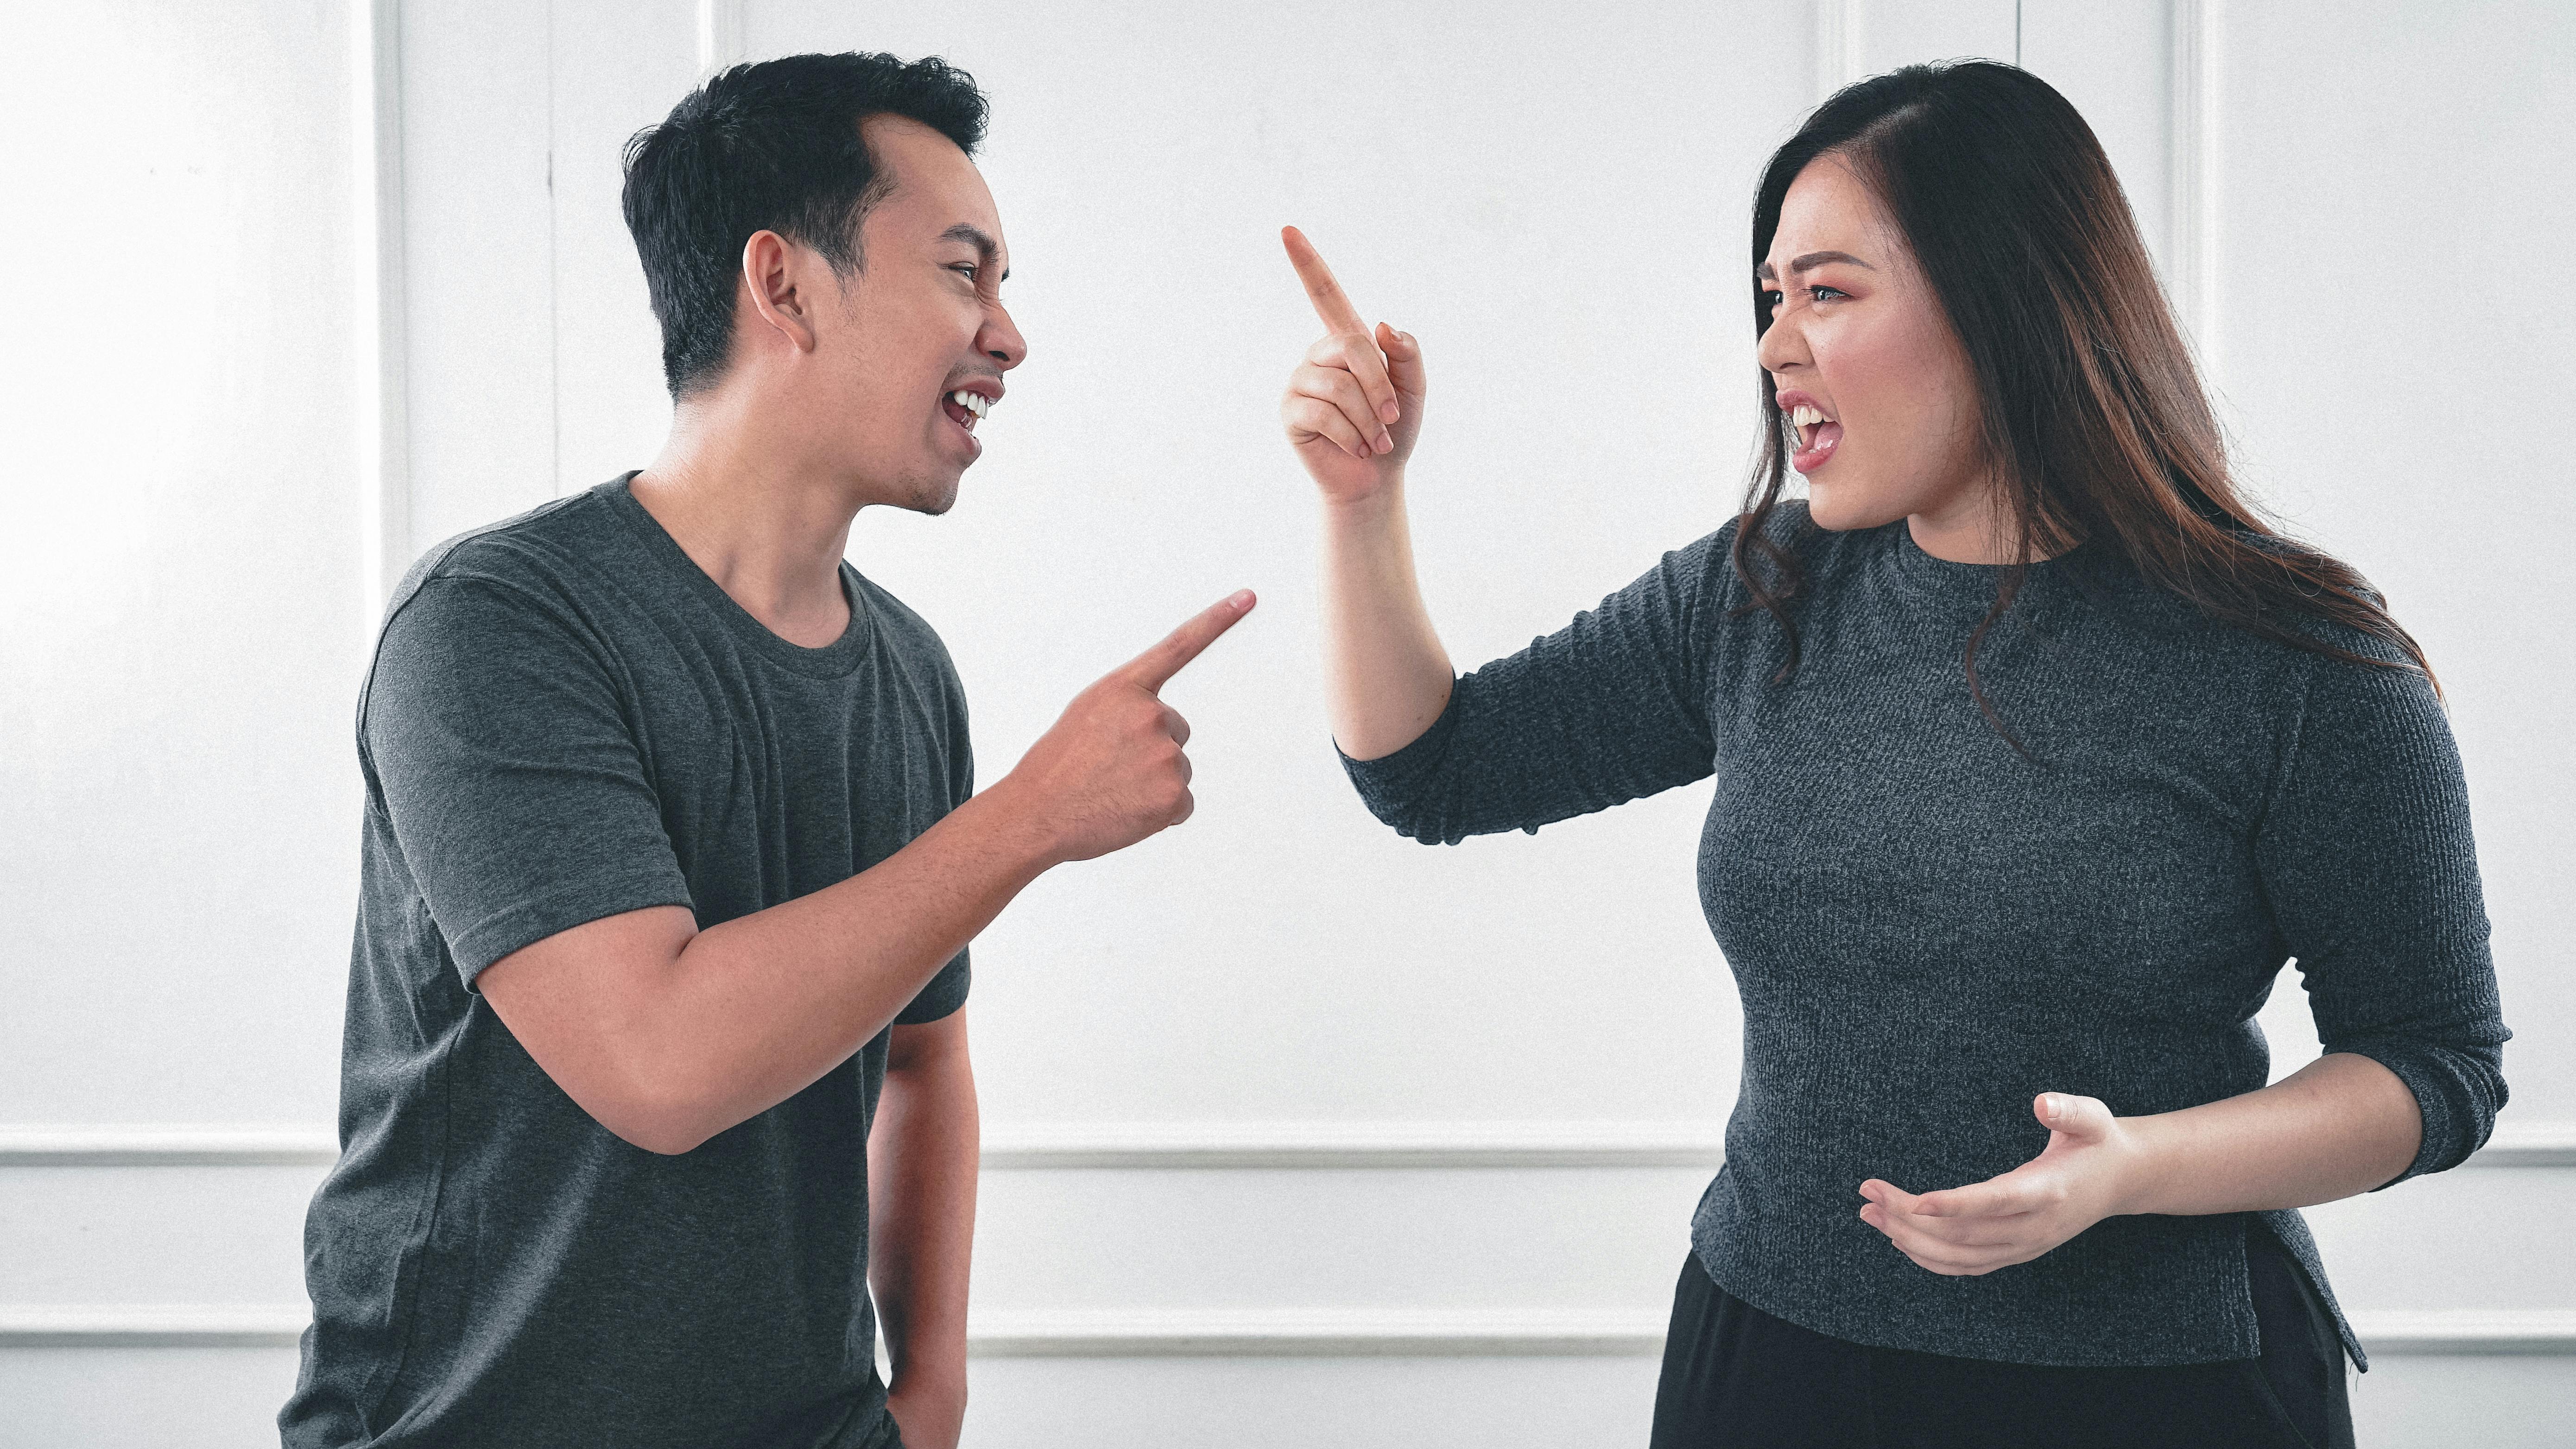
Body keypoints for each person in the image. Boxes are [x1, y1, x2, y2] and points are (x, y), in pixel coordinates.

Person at [1279, 61, 2506, 1449]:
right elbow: (1436, 772)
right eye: (1770, 298)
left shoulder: (2296, 664)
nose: (1774, 346)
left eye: (1828, 291)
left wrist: (2135, 1170)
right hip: (1775, 1362)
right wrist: (1363, 504)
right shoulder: (1761, 595)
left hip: (2161, 1389)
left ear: (2006, 305)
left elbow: (2434, 1064)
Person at [284, 52, 1252, 1449]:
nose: (1010, 335)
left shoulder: (910, 672)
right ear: (784, 284)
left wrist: (928, 1395)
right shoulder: (496, 626)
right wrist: (1033, 816)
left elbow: (921, 1061)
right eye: (965, 273)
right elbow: (658, 1062)